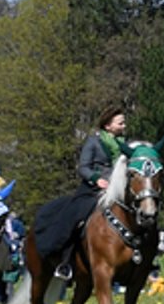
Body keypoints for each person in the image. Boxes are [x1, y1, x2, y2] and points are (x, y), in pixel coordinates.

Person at [30, 106, 128, 281]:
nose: (124, 125)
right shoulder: (93, 142)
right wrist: (97, 179)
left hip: (118, 191)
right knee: (78, 218)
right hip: (93, 190)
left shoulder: (124, 144)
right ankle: (65, 262)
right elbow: (83, 167)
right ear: (108, 126)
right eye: (120, 123)